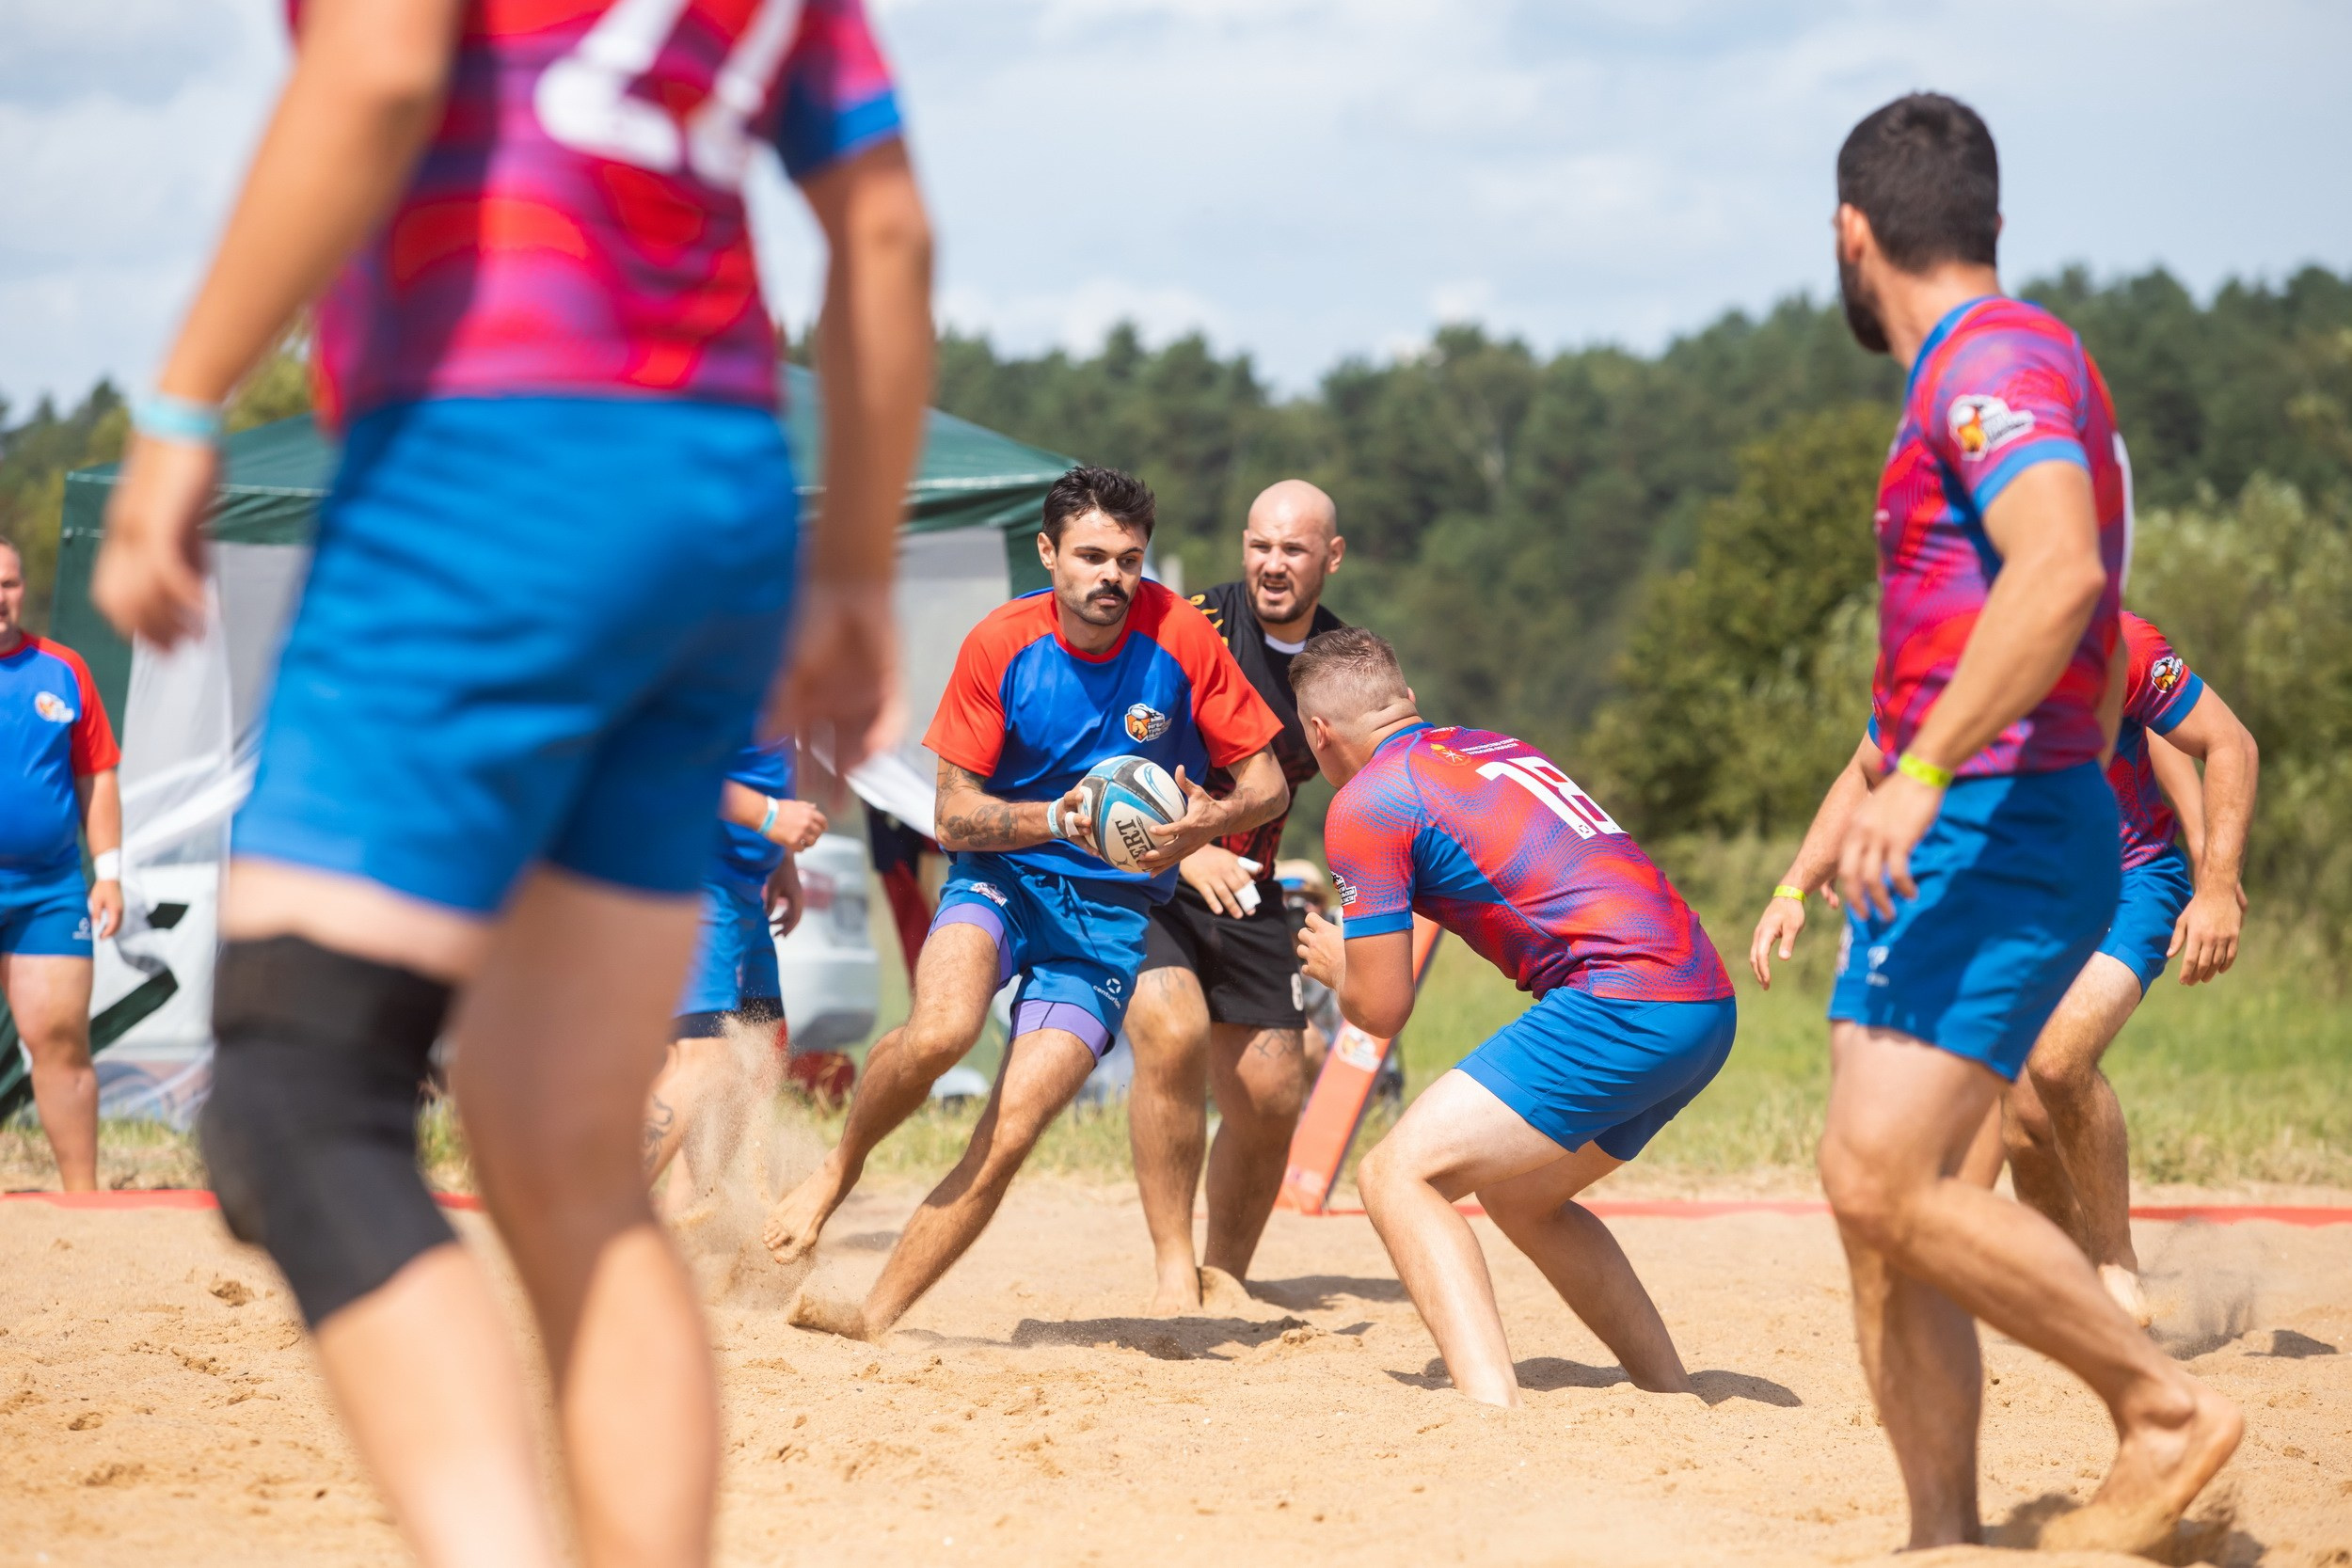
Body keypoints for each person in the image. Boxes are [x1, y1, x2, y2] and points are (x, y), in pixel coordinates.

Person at [90, 0, 932, 1560]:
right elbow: (882, 234)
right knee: (559, 1146)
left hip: (492, 455)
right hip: (717, 495)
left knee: (296, 1093)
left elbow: (383, 62)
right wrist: (860, 573)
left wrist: (181, 406)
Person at [1811, 93, 2237, 1553]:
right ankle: (1945, 1530)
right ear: (1988, 215)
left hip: (1996, 821)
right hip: (1964, 828)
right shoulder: (1992, 356)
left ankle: (2162, 1407)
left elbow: (2059, 573)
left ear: (1852, 235)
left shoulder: (1989, 360)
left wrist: (1919, 770)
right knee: (1876, 1206)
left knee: (1883, 1176)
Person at [766, 466, 1290, 1339]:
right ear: (1048, 553)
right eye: (1090, 555)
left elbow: (1267, 782)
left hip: (1108, 924)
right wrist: (1058, 817)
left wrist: (1211, 818)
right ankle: (839, 1167)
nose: (1110, 577)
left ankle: (873, 1317)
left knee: (1009, 1132)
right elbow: (952, 811)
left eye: (1128, 558)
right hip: (1001, 878)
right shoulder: (999, 642)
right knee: (941, 1029)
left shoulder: (1183, 639)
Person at [1753, 610, 2259, 1325]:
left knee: (2057, 1062)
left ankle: (2115, 1260)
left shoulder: (2113, 641)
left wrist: (2215, 877)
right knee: (2021, 1118)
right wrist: (1794, 885)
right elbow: (1868, 772)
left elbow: (2222, 740)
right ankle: (2076, 1296)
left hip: (2131, 880)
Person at [1291, 628, 1737, 1408]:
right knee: (1522, 1194)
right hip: (1704, 998)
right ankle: (1671, 1392)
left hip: (1622, 997)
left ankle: (1491, 1407)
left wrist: (1341, 971)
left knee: (1395, 1175)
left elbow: (1383, 1008)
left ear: (1318, 734)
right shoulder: (1490, 744)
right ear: (1408, 703)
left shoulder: (1365, 801)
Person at [1126, 478, 1346, 1312]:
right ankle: (1173, 1268)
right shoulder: (1187, 626)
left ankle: (1226, 1278)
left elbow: (1378, 784)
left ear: (1331, 557)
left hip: (1249, 886)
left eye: (1293, 548)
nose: (1273, 564)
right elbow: (1110, 753)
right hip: (1149, 874)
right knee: (1174, 1031)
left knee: (1272, 1092)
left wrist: (1366, 898)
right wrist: (1187, 852)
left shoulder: (1344, 659)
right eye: (1260, 545)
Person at [644, 743, 829, 1198]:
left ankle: (684, 1227)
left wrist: (783, 859)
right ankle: (591, 1223)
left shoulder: (786, 676)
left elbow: (770, 767)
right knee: (706, 1060)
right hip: (698, 884)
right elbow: (673, 763)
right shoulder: (718, 671)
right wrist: (770, 816)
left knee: (756, 1058)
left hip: (747, 891)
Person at [0, 537, 123, 1193]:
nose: (0, 596)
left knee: (60, 1043)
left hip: (50, 888)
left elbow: (96, 774)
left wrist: (109, 870)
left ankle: (85, 1206)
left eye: (10, 583)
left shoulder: (64, 669)